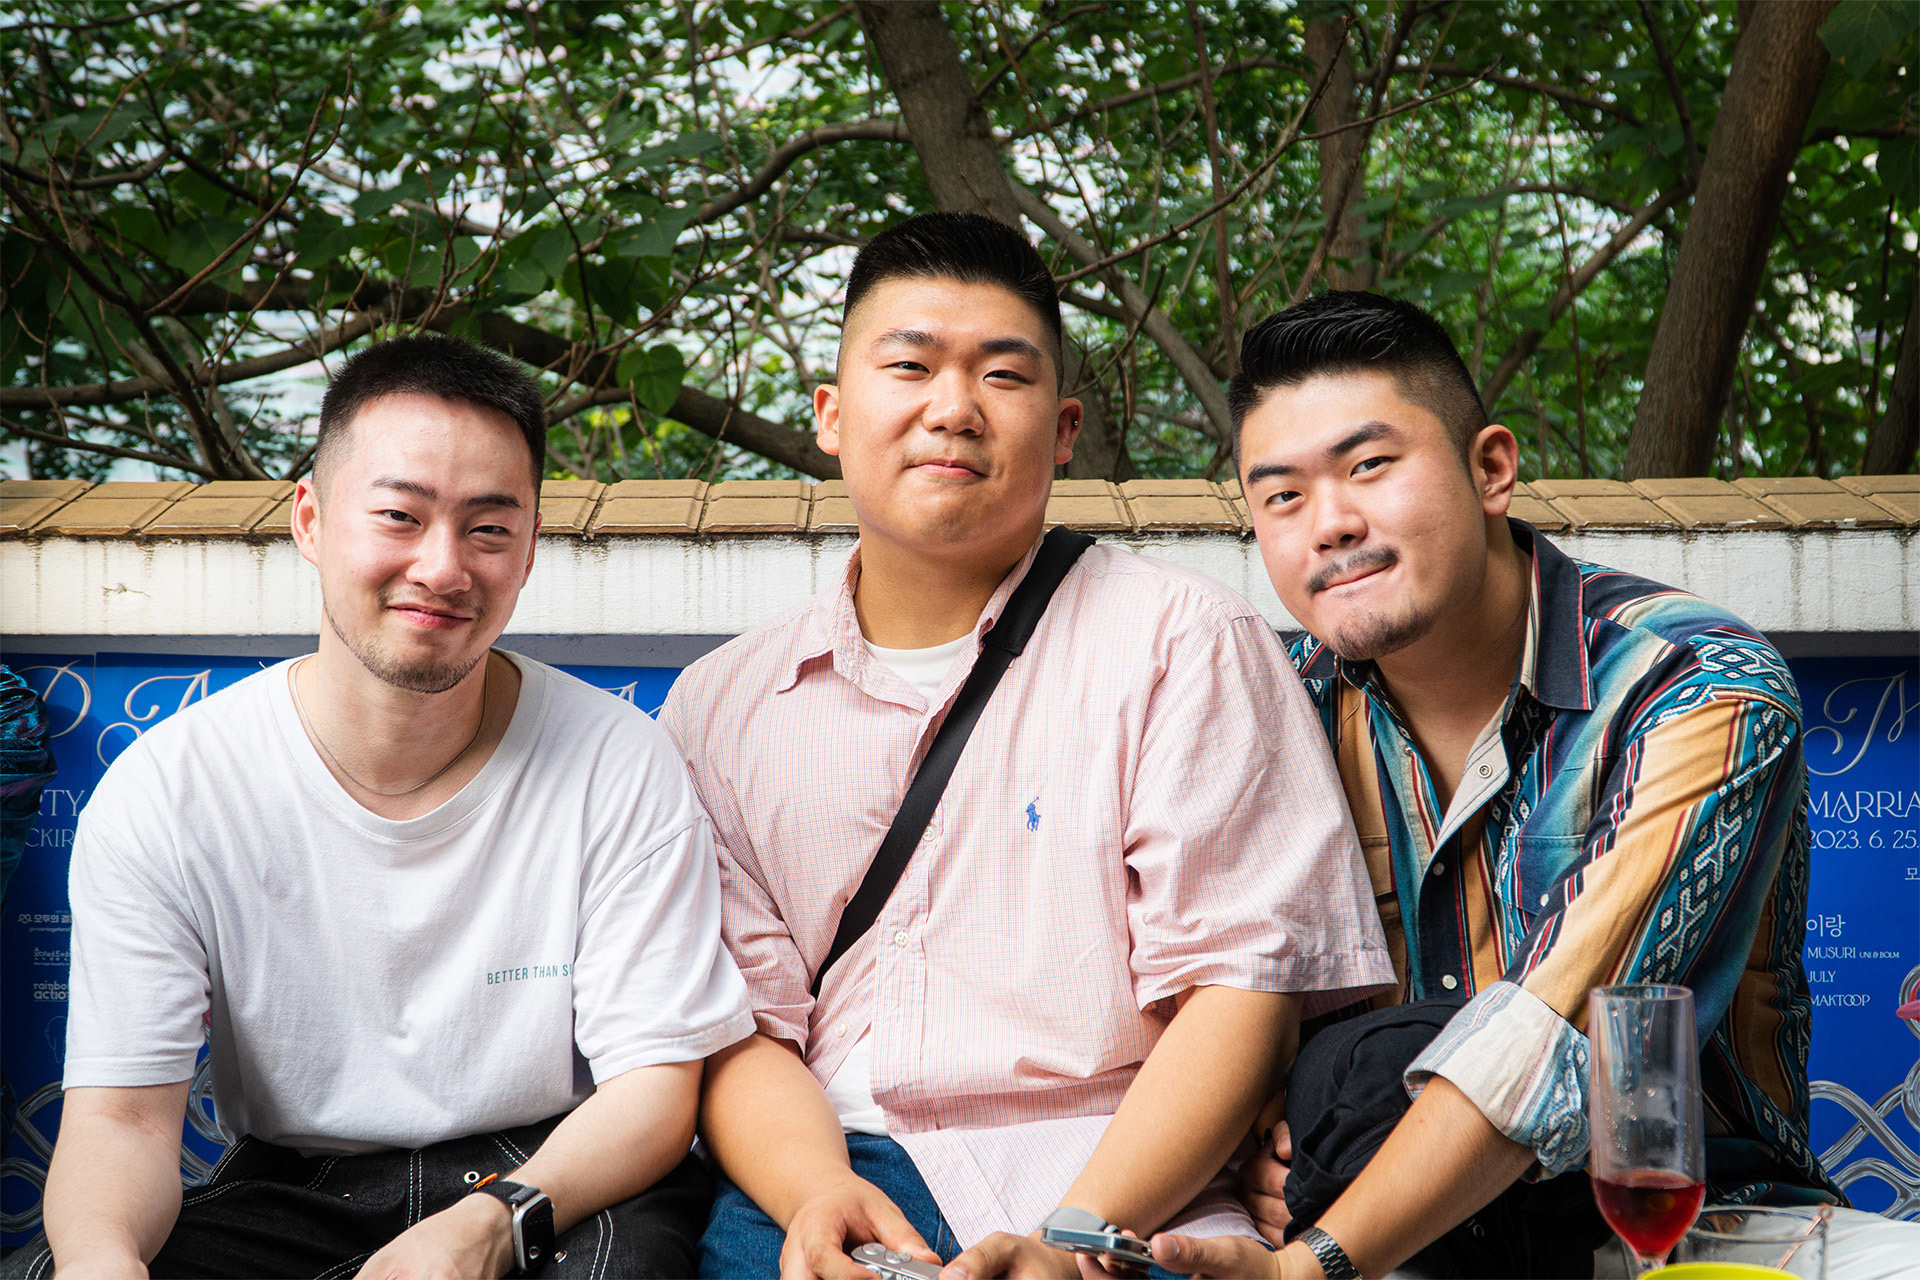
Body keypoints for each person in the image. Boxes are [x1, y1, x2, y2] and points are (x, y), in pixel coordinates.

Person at [659, 212, 1393, 1280]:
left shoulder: (1183, 643)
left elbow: (1242, 993)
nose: (953, 408)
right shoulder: (719, 707)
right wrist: (815, 1196)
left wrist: (1072, 1235)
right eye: (909, 366)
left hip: (1125, 1179)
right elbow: (741, 1025)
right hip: (822, 1175)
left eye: (1002, 375)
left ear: (1062, 430)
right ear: (831, 415)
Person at [5, 334, 753, 1280]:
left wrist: (486, 1227)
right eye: (400, 515)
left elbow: (653, 1091)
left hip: (558, 1172)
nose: (443, 568)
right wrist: (100, 1261)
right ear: (311, 522)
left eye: (489, 530)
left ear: (529, 552)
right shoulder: (171, 789)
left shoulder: (617, 761)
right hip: (295, 1185)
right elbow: (122, 1120)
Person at [1149, 291, 1846, 1280]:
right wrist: (1258, 1148)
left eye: (1368, 465)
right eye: (1283, 496)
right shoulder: (1277, 703)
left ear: (1491, 468)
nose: (1331, 524)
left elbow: (1552, 1032)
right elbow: (1219, 1001)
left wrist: (1316, 1260)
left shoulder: (1698, 685)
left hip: (1679, 1232)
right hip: (1367, 1235)